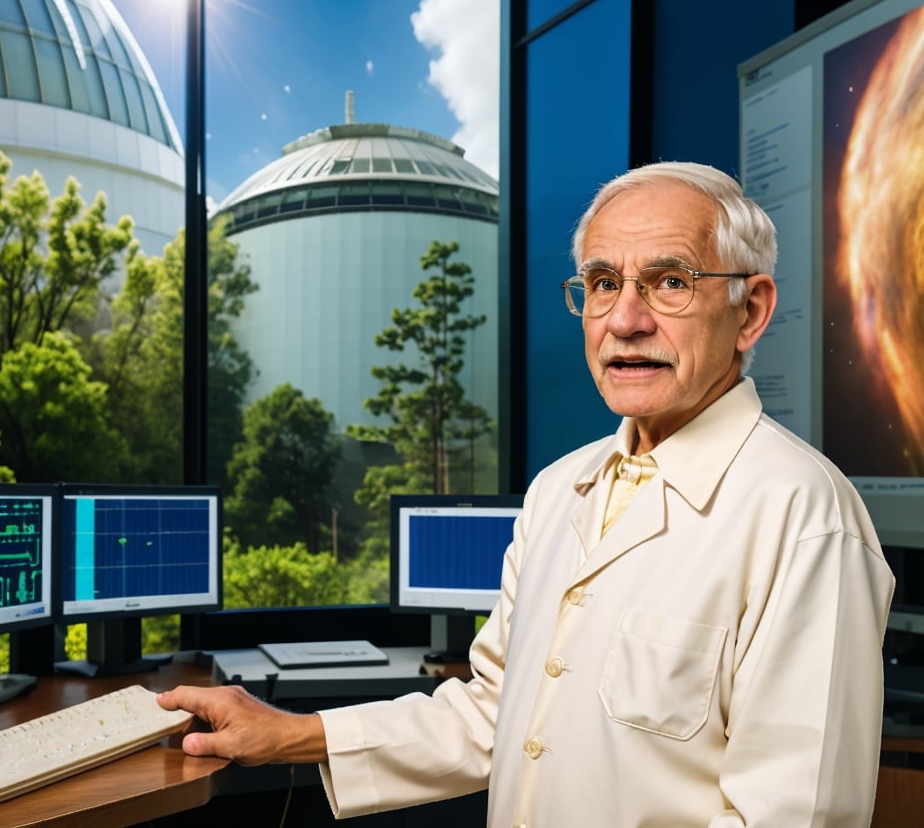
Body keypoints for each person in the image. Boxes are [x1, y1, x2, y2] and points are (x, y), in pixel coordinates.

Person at [159, 161, 895, 826]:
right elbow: (493, 715)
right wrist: (288, 733)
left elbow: (795, 818)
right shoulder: (557, 493)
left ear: (751, 311)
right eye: (604, 283)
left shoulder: (805, 518)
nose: (626, 320)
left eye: (670, 281)